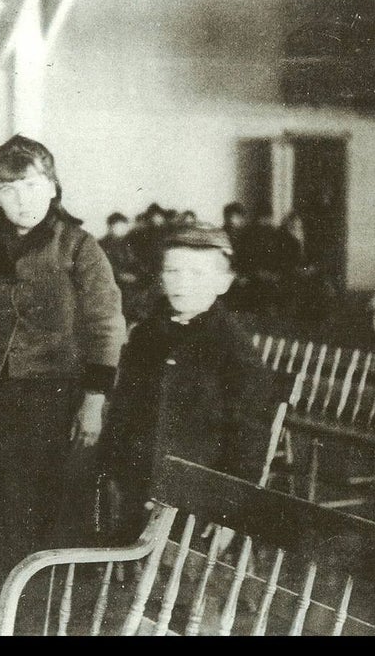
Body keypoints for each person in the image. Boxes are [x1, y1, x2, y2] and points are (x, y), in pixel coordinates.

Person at [0, 134, 125, 634]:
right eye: (9, 189)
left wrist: (94, 403)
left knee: (46, 517)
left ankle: (41, 623)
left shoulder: (79, 247)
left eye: (32, 186)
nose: (22, 199)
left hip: (59, 404)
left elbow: (106, 327)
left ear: (53, 187)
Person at [100, 224, 279, 543]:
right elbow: (122, 413)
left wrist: (229, 507)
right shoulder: (146, 336)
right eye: (173, 270)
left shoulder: (234, 350)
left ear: (223, 282)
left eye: (197, 273)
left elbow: (249, 436)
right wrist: (109, 472)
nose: (182, 282)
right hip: (134, 487)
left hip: (197, 501)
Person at [99, 212, 143, 322]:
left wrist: (139, 273)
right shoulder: (102, 244)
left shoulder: (126, 243)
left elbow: (134, 262)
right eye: (119, 225)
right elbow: (103, 266)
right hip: (111, 285)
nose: (122, 229)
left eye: (123, 225)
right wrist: (121, 275)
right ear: (111, 226)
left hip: (128, 286)